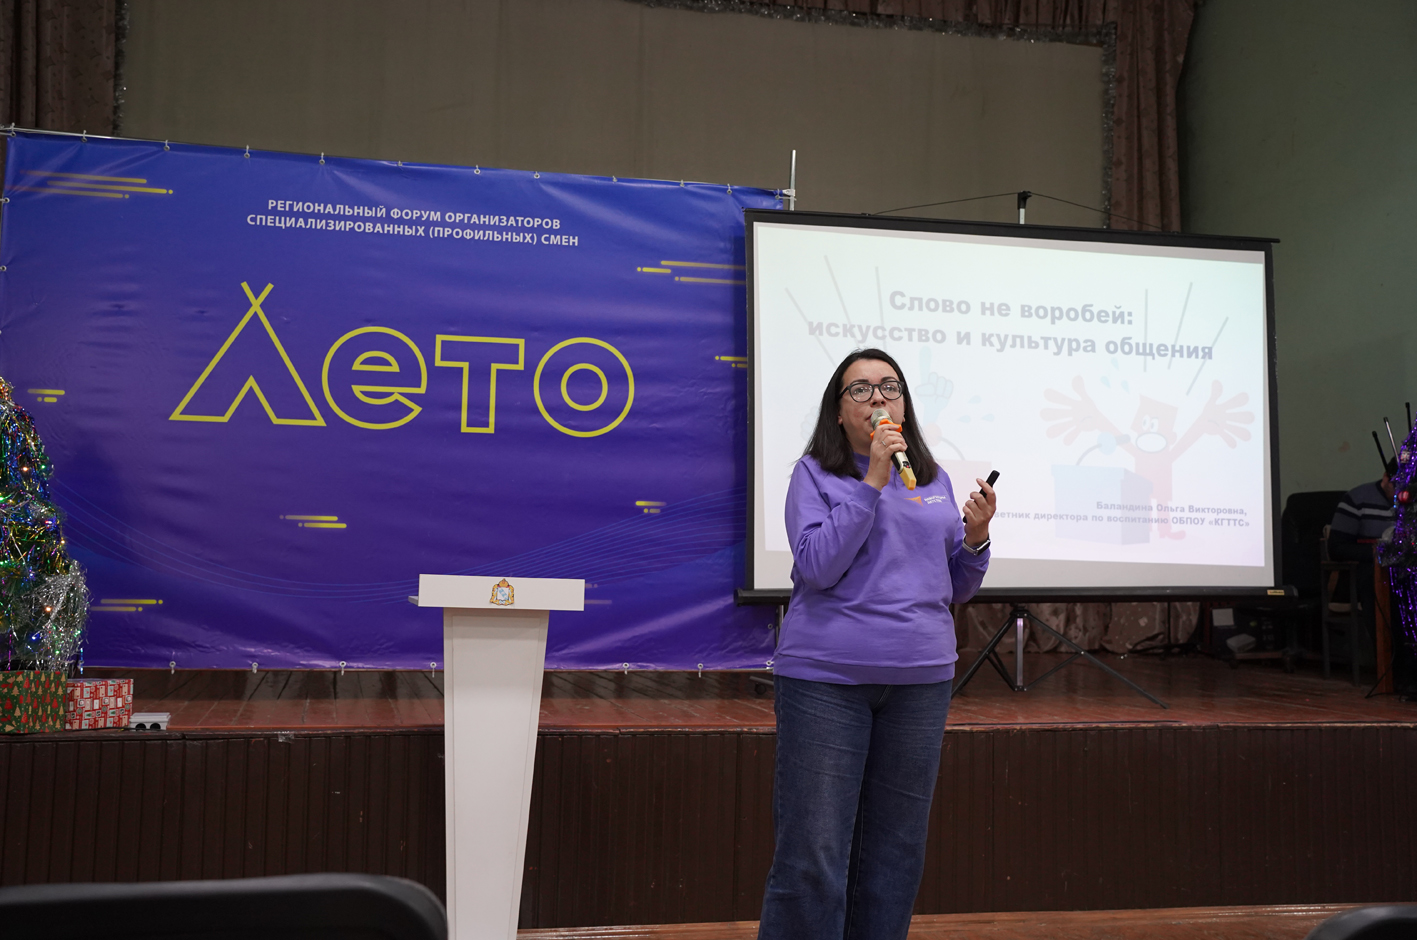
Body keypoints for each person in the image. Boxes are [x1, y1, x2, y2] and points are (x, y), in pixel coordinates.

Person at [758, 348, 996, 940]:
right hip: (826, 681)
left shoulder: (933, 479)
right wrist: (872, 483)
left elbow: (955, 586)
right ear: (839, 413)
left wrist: (975, 539)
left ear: (905, 405)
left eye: (889, 387)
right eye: (860, 390)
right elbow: (817, 567)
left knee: (895, 853)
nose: (878, 399)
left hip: (920, 680)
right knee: (814, 853)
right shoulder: (814, 474)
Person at [1328, 459, 1396, 676]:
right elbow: (1336, 548)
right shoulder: (1358, 499)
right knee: (1376, 579)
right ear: (1386, 477)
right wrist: (1381, 554)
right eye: (1397, 486)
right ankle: (1392, 668)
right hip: (1367, 574)